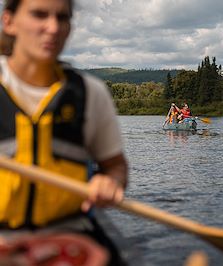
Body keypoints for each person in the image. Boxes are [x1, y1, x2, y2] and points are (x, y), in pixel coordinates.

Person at [0, 0, 128, 265]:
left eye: (62, 17)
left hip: (70, 236)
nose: (52, 27)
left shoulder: (90, 93)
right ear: (9, 21)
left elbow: (116, 167)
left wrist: (111, 182)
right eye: (39, 15)